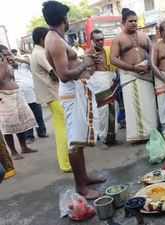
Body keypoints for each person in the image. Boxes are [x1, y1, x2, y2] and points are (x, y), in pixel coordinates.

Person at [43, 0, 105, 199]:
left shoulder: (57, 38)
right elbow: (64, 74)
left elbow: (70, 66)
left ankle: (84, 177)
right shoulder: (54, 40)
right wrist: (85, 63)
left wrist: (85, 63)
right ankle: (81, 187)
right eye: (67, 17)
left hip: (77, 90)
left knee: (79, 139)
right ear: (63, 18)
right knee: (74, 143)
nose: (68, 20)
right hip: (71, 92)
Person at [111, 8, 158, 143]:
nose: (133, 23)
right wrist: (133, 68)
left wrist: (149, 64)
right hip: (130, 75)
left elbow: (153, 52)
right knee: (133, 106)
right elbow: (113, 59)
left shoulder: (144, 36)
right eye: (130, 21)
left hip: (146, 75)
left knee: (149, 104)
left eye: (135, 21)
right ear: (123, 22)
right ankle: (137, 136)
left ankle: (151, 133)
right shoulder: (118, 39)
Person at [30, 26, 71, 172]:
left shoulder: (36, 52)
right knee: (62, 129)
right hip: (53, 94)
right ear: (42, 39)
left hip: (50, 94)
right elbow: (54, 73)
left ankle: (65, 161)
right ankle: (66, 163)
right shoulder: (40, 53)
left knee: (61, 127)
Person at [0, 44, 37, 160]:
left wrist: (9, 62)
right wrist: (4, 64)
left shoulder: (9, 64)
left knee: (21, 123)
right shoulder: (2, 64)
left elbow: (11, 77)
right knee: (8, 125)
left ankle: (24, 147)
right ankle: (14, 151)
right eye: (5, 54)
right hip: (5, 97)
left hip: (16, 93)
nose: (9, 56)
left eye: (9, 53)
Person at [86, 29, 119, 146]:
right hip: (99, 85)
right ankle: (103, 136)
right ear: (92, 41)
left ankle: (112, 136)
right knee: (102, 111)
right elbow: (89, 73)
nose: (101, 42)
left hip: (110, 82)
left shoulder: (107, 51)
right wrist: (92, 62)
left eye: (102, 39)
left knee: (113, 108)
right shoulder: (89, 53)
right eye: (97, 40)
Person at [12, 46, 48, 143]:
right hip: (21, 97)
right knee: (26, 118)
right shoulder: (8, 68)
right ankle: (29, 136)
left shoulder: (23, 63)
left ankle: (42, 132)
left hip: (33, 94)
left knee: (38, 115)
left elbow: (30, 61)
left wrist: (16, 58)